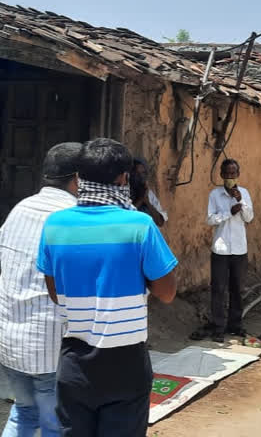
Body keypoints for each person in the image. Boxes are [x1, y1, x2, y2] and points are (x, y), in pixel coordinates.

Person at [37, 138, 178, 437]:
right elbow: (167, 293)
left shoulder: (54, 225)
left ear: (78, 179)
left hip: (74, 362)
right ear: (123, 178)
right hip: (126, 363)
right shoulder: (140, 226)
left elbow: (55, 293)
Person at [0, 143, 81, 437]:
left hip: (11, 340)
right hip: (48, 345)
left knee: (24, 413)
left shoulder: (21, 209)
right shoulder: (73, 216)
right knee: (54, 424)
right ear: (78, 178)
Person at [191, 159, 254, 343]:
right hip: (221, 248)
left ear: (238, 175)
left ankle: (235, 325)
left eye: (233, 173)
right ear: (221, 175)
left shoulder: (244, 193)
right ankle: (218, 326)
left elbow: (249, 218)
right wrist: (228, 213)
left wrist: (240, 202)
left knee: (237, 288)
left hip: (239, 248)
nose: (230, 177)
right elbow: (210, 219)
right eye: (226, 174)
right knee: (218, 289)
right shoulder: (215, 195)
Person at [130, 158, 168, 228]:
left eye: (143, 173)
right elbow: (126, 217)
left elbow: (160, 222)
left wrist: (147, 201)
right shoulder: (124, 193)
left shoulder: (148, 194)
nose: (140, 177)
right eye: (137, 173)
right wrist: (140, 200)